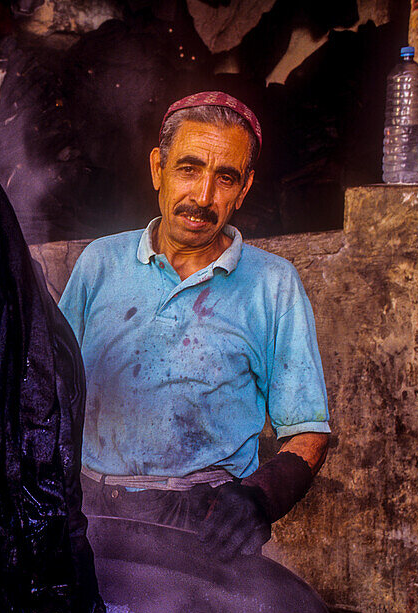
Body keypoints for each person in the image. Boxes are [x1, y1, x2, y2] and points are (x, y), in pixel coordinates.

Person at [58, 92, 330, 559]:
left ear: (244, 190)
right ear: (157, 170)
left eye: (225, 179)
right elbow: (49, 392)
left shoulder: (273, 284)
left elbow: (308, 431)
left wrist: (260, 499)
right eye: (188, 169)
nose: (203, 198)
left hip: (207, 522)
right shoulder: (99, 263)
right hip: (90, 510)